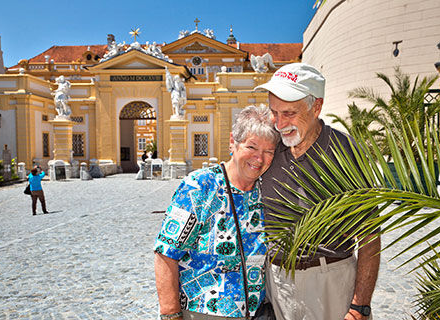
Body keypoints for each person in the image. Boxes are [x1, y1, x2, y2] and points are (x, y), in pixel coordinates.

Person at [254, 63, 381, 320]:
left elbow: (369, 236)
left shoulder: (346, 152)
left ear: (316, 107)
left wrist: (360, 307)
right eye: (273, 112)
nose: (279, 124)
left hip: (331, 283)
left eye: (289, 113)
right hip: (277, 285)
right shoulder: (268, 149)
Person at [154, 105, 279, 320]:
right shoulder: (200, 186)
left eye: (268, 152)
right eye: (252, 147)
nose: (259, 159)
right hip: (204, 311)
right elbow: (166, 253)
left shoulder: (265, 190)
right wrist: (170, 315)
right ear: (233, 142)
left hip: (256, 312)